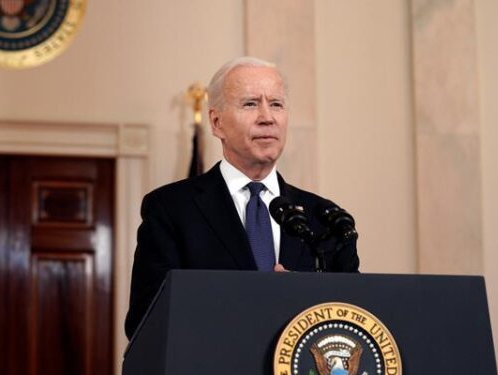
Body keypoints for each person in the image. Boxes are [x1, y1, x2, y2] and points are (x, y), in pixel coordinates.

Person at [124, 57, 360, 339]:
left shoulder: (325, 218)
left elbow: (353, 319)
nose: (267, 117)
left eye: (276, 104)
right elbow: (145, 321)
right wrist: (253, 304)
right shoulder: (171, 210)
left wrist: (302, 299)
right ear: (216, 122)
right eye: (250, 104)